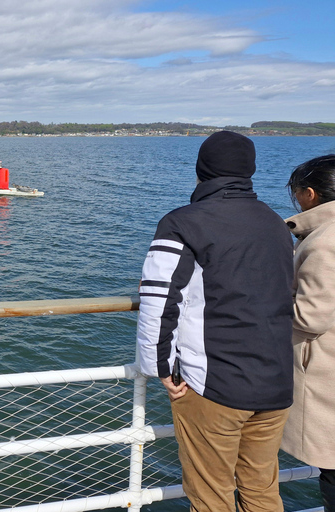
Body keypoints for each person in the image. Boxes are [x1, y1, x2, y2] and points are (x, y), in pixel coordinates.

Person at [136, 131, 294, 511]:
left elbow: (158, 301)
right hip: (275, 384)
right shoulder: (276, 224)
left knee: (211, 497)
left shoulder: (183, 223)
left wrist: (161, 369)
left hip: (216, 386)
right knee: (261, 491)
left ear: (200, 170)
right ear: (250, 171)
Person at [280, 155, 335, 512]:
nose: (297, 200)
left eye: (297, 192)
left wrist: (264, 298)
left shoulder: (324, 241)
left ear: (311, 194)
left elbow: (310, 317)